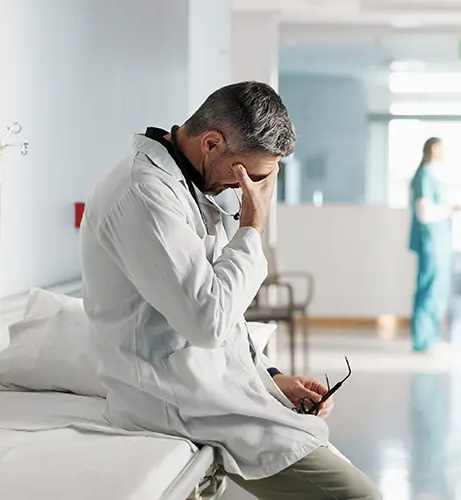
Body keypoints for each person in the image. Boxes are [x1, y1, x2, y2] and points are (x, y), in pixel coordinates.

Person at [79, 81, 381, 500]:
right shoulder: (142, 194)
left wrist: (273, 379)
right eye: (249, 176)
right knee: (359, 497)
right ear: (212, 143)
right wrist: (252, 228)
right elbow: (207, 322)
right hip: (174, 402)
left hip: (206, 390)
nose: (247, 191)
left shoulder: (191, 185)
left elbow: (222, 310)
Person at [409, 137, 460, 354]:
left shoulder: (433, 174)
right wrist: (449, 209)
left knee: (436, 289)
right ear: (433, 149)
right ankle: (424, 339)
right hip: (431, 240)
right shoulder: (426, 175)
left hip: (438, 241)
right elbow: (424, 212)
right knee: (429, 289)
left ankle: (432, 336)